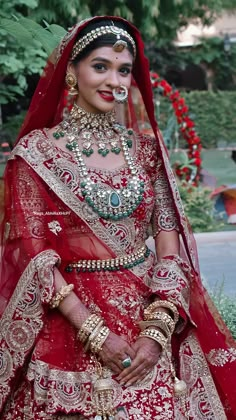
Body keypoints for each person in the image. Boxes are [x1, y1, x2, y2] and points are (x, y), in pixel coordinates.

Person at [0, 15, 236, 420]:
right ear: (72, 73)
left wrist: (157, 331)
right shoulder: (37, 155)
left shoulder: (144, 152)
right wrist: (96, 334)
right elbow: (35, 256)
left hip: (149, 317)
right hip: (70, 323)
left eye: (124, 70)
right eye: (100, 66)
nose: (116, 81)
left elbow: (168, 245)